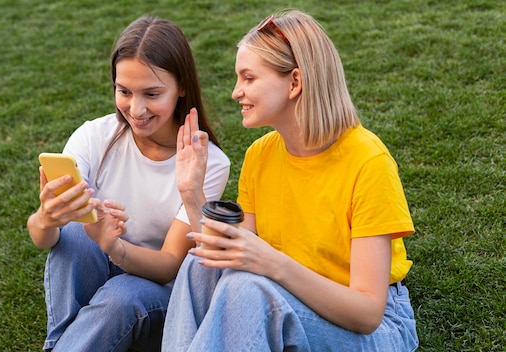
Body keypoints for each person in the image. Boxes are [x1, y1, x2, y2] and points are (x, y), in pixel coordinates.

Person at [162, 10, 418, 351]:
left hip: (378, 328)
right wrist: (191, 193)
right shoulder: (260, 155)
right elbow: (230, 259)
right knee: (199, 265)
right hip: (288, 297)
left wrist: (271, 262)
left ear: (295, 82)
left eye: (248, 78)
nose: (236, 92)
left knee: (247, 291)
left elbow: (367, 312)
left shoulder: (368, 162)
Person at [26, 16, 230, 352]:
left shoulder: (207, 163)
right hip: (100, 273)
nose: (136, 110)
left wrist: (114, 247)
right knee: (76, 232)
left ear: (181, 87)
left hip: (158, 295)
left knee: (121, 294)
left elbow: (169, 266)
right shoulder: (94, 136)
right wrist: (47, 219)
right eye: (124, 91)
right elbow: (42, 237)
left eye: (152, 94)